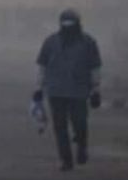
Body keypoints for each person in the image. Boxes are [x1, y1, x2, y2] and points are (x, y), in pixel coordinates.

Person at [33, 9, 102, 171]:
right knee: (60, 126)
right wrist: (39, 87)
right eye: (65, 23)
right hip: (56, 91)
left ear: (78, 24)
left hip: (79, 91)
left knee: (80, 123)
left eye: (71, 23)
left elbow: (95, 68)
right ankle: (66, 160)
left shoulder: (88, 43)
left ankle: (82, 146)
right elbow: (42, 66)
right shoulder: (50, 42)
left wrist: (95, 90)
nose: (68, 27)